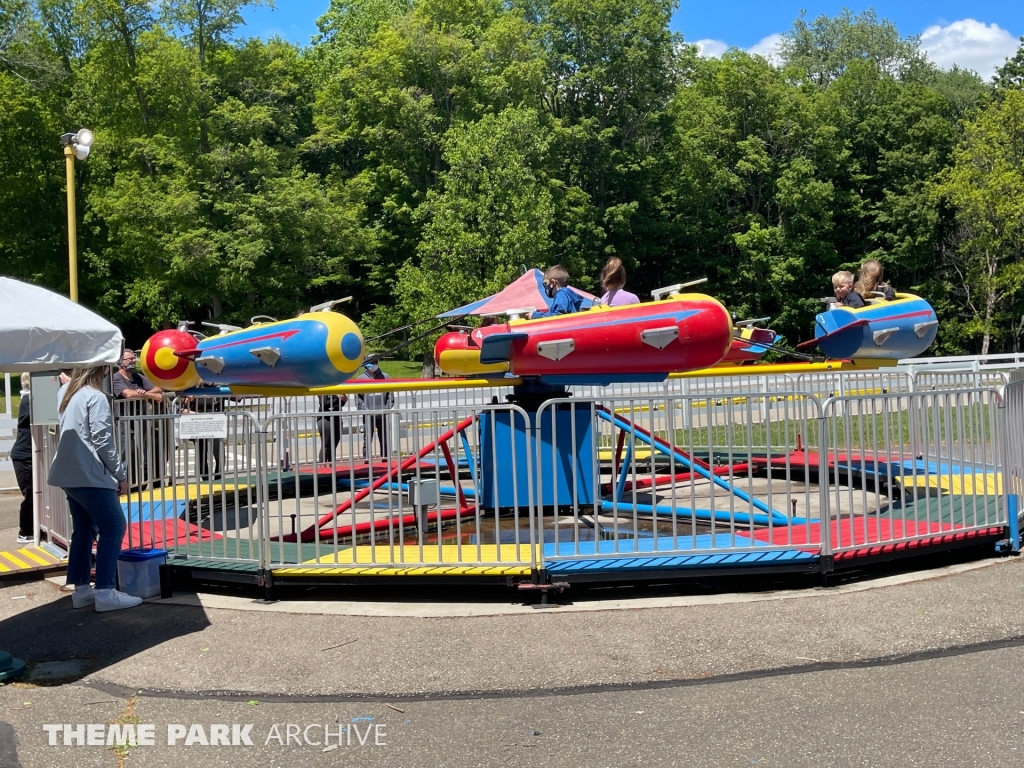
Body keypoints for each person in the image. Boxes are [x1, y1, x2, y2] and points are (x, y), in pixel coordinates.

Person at [47, 367, 142, 612]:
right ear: (102, 369)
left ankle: (82, 589)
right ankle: (105, 591)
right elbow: (102, 439)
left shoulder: (66, 393)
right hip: (88, 473)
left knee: (84, 528)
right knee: (114, 526)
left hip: (67, 472)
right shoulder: (95, 396)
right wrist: (120, 474)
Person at [113, 349, 164, 487]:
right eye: (130, 359)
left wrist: (144, 393)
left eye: (134, 358)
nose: (134, 361)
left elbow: (159, 389)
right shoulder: (116, 378)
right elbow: (128, 394)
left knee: (147, 456)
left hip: (142, 425)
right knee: (127, 460)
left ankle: (142, 486)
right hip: (125, 428)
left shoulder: (137, 377)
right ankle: (125, 489)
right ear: (120, 362)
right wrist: (150, 395)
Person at [356, 362, 394, 460]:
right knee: (367, 438)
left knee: (385, 437)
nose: (374, 365)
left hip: (383, 414)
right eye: (372, 363)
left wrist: (387, 408)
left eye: (376, 362)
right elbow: (357, 398)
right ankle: (367, 459)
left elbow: (391, 394)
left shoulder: (385, 377)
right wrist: (364, 409)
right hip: (368, 415)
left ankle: (385, 457)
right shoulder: (360, 379)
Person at [12, 373, 33, 545]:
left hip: (27, 454)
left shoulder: (28, 399)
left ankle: (33, 527)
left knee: (34, 493)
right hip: (24, 455)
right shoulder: (28, 401)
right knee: (30, 494)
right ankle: (25, 531)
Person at [317, 393, 349, 463]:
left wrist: (343, 400)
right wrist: (338, 398)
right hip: (325, 418)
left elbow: (338, 404)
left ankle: (332, 467)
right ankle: (323, 468)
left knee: (333, 445)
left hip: (336, 418)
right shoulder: (323, 388)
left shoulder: (337, 388)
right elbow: (324, 403)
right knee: (326, 444)